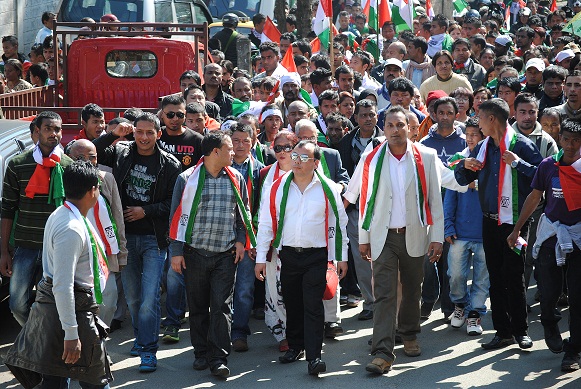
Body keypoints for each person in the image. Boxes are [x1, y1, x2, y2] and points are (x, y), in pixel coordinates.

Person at [344, 105, 444, 374]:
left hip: (414, 234)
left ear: (410, 128)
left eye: (401, 125)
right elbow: (365, 202)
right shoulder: (372, 158)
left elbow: (434, 199)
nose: (396, 130)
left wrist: (437, 237)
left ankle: (409, 334)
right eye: (390, 125)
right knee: (385, 293)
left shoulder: (426, 156)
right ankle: (382, 352)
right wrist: (363, 237)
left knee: (413, 289)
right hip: (383, 236)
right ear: (383, 128)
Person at [4, 161, 113, 389]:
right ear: (92, 189)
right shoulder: (70, 227)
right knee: (94, 382)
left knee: (55, 380)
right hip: (70, 314)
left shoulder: (63, 214)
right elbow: (63, 286)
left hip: (62, 313)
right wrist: (71, 334)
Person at [93, 113, 181, 372]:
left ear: (158, 134)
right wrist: (112, 134)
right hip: (125, 237)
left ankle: (147, 349)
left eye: (149, 133)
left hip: (154, 238)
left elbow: (172, 203)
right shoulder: (120, 152)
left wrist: (147, 210)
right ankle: (143, 336)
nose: (143, 137)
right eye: (139, 132)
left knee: (149, 297)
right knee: (132, 297)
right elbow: (90, 152)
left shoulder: (170, 164)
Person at [455, 98, 543, 351]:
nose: (478, 123)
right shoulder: (483, 147)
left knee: (513, 276)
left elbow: (542, 177)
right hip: (489, 221)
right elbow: (462, 179)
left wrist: (517, 163)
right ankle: (502, 332)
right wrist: (465, 165)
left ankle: (521, 331)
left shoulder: (522, 145)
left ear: (492, 119)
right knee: (494, 276)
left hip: (515, 222)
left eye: (480, 118)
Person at [255, 140, 348, 376]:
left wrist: (341, 257)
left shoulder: (328, 188)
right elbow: (266, 223)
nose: (297, 161)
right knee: (293, 303)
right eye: (295, 156)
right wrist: (260, 258)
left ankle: (315, 357)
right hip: (288, 256)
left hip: (316, 256)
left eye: (304, 157)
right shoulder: (278, 187)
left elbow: (339, 225)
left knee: (313, 306)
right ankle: (295, 346)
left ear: (316, 163)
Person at [169, 131, 255, 378]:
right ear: (215, 152)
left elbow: (243, 214)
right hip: (194, 253)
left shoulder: (236, 177)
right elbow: (175, 218)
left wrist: (241, 241)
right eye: (229, 148)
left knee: (221, 307)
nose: (235, 151)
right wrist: (176, 252)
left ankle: (218, 358)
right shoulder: (187, 179)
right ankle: (201, 353)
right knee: (197, 306)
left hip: (225, 255)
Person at [507, 118, 581, 372]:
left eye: (576, 141)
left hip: (579, 239)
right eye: (566, 139)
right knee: (548, 294)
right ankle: (550, 323)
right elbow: (535, 195)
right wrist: (517, 228)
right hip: (551, 235)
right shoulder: (549, 166)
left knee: (578, 299)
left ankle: (573, 351)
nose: (570, 145)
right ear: (559, 139)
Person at [1, 111, 73, 326]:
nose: (54, 134)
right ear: (35, 132)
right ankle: (35, 333)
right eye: (48, 128)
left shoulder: (68, 167)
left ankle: (43, 347)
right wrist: (4, 250)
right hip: (25, 246)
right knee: (17, 304)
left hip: (57, 248)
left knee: (52, 303)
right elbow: (7, 209)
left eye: (57, 129)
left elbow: (75, 212)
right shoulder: (17, 164)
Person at [67, 140, 127, 326]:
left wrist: (122, 253)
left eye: (92, 157)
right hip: (75, 252)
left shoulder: (106, 178)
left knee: (108, 302)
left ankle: (98, 340)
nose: (87, 161)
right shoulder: (63, 179)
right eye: (80, 157)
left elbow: (117, 215)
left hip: (103, 252)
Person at [337, 99, 385, 322]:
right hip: (356, 210)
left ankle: (387, 301)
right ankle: (370, 302)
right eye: (363, 115)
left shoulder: (386, 140)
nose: (368, 119)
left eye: (371, 115)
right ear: (355, 117)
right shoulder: (345, 143)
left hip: (383, 208)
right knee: (362, 258)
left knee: (385, 257)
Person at [445, 117, 488, 336]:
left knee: (482, 277)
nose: (471, 139)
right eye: (468, 135)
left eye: (475, 135)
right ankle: (460, 305)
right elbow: (450, 197)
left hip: (485, 232)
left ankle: (475, 314)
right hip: (460, 232)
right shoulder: (457, 160)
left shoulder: (491, 159)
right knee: (456, 275)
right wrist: (448, 226)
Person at [227, 123, 264, 352]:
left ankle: (240, 331)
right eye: (236, 141)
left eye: (245, 141)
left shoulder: (261, 171)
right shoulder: (217, 166)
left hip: (250, 237)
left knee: (243, 288)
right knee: (221, 290)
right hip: (222, 236)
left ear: (253, 143)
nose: (240, 146)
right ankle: (220, 331)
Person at [158, 95, 204, 171]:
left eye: (180, 115)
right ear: (162, 114)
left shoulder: (197, 140)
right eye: (170, 115)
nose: (175, 119)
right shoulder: (155, 136)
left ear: (185, 114)